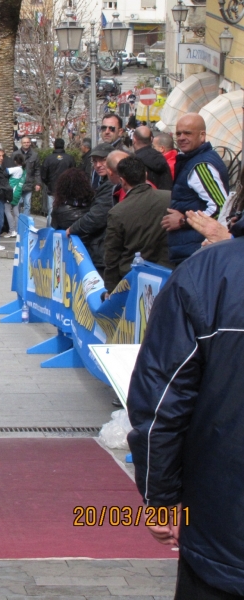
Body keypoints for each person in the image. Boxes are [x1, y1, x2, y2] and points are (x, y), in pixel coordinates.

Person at [127, 217, 244, 599]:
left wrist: (160, 499)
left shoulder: (208, 274)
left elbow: (160, 403)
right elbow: (162, 400)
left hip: (222, 537)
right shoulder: (208, 275)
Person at [161, 113, 229, 266]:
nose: (181, 137)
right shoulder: (193, 159)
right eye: (178, 133)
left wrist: (183, 221)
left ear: (202, 135)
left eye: (188, 133)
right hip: (190, 249)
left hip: (196, 252)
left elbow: (220, 207)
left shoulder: (201, 165)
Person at [102, 156, 171, 294]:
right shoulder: (169, 198)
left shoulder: (118, 212)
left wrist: (111, 288)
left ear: (122, 181)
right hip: (166, 274)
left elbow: (112, 255)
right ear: (145, 175)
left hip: (132, 279)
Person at [65, 147, 119, 276]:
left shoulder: (111, 185)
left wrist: (73, 229)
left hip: (105, 249)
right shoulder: (104, 183)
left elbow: (97, 216)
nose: (98, 165)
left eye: (103, 160)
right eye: (95, 161)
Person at [40, 138, 76, 227]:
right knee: (66, 210)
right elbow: (74, 174)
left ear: (55, 145)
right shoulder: (70, 158)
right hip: (66, 190)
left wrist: (48, 183)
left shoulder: (48, 159)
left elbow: (43, 175)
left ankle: (50, 232)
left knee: (51, 211)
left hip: (52, 189)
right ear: (63, 145)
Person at [132, 126, 173, 191]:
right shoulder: (161, 157)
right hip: (166, 198)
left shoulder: (134, 161)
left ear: (134, 140)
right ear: (151, 139)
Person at [11, 136, 40, 216]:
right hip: (18, 183)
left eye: (28, 142)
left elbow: (37, 170)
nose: (26, 144)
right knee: (18, 203)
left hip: (29, 183)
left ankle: (25, 222)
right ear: (21, 143)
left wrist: (38, 183)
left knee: (27, 204)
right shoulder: (15, 154)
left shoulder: (35, 155)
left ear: (30, 143)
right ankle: (18, 221)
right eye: (24, 142)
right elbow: (11, 168)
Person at [5, 154, 25, 238]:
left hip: (11, 192)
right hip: (18, 192)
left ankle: (11, 230)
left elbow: (5, 171)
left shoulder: (16, 169)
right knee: (16, 212)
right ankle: (17, 230)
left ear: (15, 161)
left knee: (7, 210)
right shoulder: (24, 170)